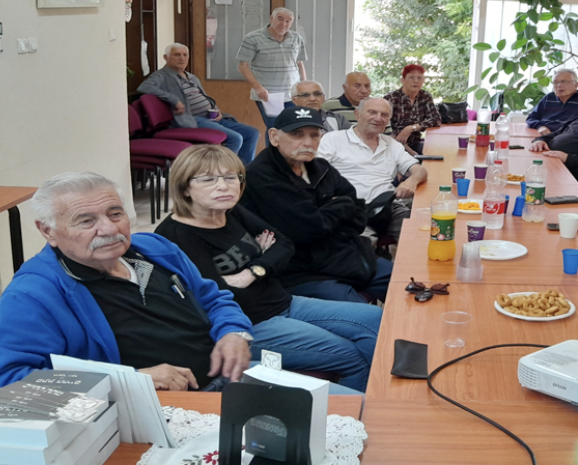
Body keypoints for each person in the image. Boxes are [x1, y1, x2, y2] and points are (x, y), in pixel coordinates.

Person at [0, 172, 253, 400]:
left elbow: (214, 299)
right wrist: (129, 381)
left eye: (115, 214)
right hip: (157, 409)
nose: (109, 229)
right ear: (48, 231)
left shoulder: (155, 248)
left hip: (230, 376)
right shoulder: (33, 295)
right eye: (86, 221)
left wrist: (234, 333)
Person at [155, 145, 381, 391]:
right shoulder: (176, 236)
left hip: (282, 301)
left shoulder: (230, 211)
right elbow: (219, 295)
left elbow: (284, 243)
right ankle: (355, 412)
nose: (223, 186)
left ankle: (388, 396)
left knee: (376, 318)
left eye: (231, 177)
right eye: (208, 179)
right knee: (352, 355)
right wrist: (262, 255)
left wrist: (254, 270)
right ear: (184, 188)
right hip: (249, 325)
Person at [240, 106, 392, 303]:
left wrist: (329, 215)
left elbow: (359, 212)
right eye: (297, 134)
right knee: (365, 314)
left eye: (314, 135)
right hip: (300, 272)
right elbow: (307, 229)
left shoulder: (321, 167)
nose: (307, 142)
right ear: (274, 137)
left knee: (410, 285)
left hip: (346, 256)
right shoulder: (260, 176)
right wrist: (342, 206)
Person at [317, 98, 428, 247]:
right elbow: (315, 174)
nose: (378, 118)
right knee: (361, 248)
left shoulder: (391, 144)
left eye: (384, 115)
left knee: (422, 237)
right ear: (357, 114)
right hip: (349, 211)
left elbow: (420, 170)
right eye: (372, 113)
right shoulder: (333, 139)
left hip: (387, 207)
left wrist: (411, 181)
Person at [137, 43, 260, 164]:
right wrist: (174, 99)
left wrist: (216, 110)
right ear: (166, 57)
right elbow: (144, 87)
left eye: (185, 55)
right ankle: (222, 171)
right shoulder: (162, 75)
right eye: (177, 55)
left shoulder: (191, 77)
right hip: (192, 118)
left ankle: (245, 171)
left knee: (252, 133)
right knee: (235, 138)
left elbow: (204, 97)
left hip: (210, 116)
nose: (182, 58)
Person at [237, 7, 307, 128]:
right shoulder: (253, 38)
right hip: (269, 95)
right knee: (275, 129)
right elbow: (242, 66)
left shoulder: (296, 38)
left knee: (295, 128)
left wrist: (304, 87)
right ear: (271, 18)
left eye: (288, 21)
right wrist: (258, 87)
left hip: (293, 94)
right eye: (280, 19)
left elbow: (299, 64)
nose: (283, 24)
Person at [383, 64, 441, 153]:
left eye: (419, 78)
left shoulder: (425, 96)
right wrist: (408, 150)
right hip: (393, 146)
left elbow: (436, 119)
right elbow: (384, 129)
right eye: (411, 77)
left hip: (416, 143)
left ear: (423, 80)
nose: (416, 81)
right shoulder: (391, 98)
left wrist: (411, 128)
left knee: (440, 152)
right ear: (403, 80)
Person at [525, 68, 578, 135]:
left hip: (570, 137)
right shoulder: (549, 98)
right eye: (555, 82)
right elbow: (531, 118)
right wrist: (540, 127)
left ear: (576, 85)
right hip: (544, 135)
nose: (559, 85)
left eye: (564, 82)